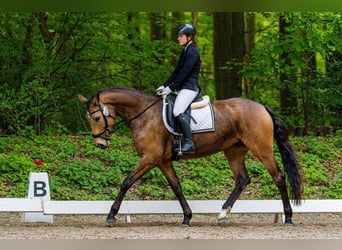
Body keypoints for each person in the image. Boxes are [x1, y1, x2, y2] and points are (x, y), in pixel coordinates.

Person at [156, 23, 201, 154]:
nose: (178, 39)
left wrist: (170, 88)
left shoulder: (192, 52)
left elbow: (184, 73)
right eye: (178, 36)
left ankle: (189, 142)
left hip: (189, 87)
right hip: (183, 87)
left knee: (177, 111)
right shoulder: (185, 50)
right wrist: (164, 85)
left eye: (181, 36)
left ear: (189, 37)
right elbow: (176, 72)